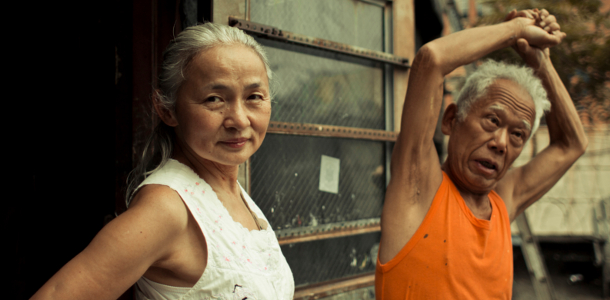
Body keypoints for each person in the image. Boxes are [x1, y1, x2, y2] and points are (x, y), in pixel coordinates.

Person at [33, 22, 294, 300]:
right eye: (215, 99)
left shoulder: (231, 194)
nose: (240, 120)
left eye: (254, 97)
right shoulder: (167, 208)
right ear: (168, 110)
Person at [375, 8, 587, 300]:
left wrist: (539, 59)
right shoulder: (419, 189)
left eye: (517, 135)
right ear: (451, 119)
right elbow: (432, 59)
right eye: (492, 121)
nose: (501, 142)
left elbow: (571, 144)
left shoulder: (502, 203)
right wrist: (517, 30)